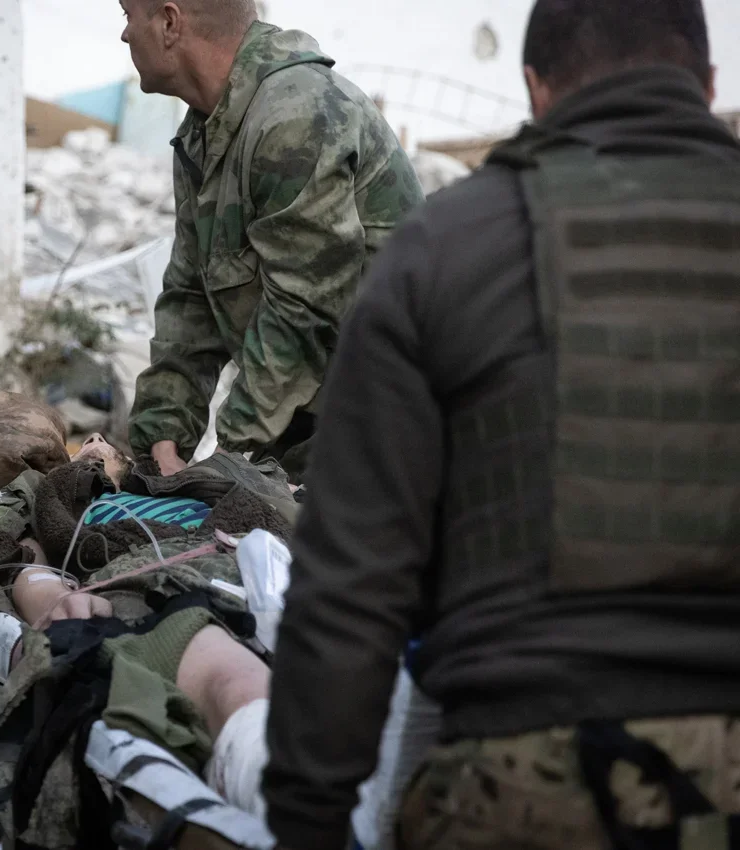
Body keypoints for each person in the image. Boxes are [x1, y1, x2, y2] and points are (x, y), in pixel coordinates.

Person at [264, 1, 740, 848]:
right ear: (706, 84)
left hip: (528, 779)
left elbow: (352, 585)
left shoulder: (444, 246)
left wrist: (309, 819)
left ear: (535, 88)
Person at [120, 0, 424, 483]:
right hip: (311, 423)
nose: (124, 35)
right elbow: (191, 295)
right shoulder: (202, 134)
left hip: (392, 426)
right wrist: (164, 438)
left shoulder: (294, 114)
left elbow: (303, 309)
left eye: (127, 15)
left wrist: (226, 459)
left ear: (170, 23)